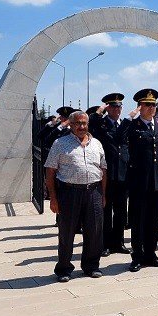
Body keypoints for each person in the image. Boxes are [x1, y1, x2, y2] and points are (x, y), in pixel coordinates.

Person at [44, 111, 107, 282]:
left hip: (93, 191)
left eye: (84, 123)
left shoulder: (97, 144)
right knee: (67, 232)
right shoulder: (60, 143)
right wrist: (53, 198)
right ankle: (64, 268)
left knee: (94, 231)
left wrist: (103, 195)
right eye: (78, 123)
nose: (82, 127)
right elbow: (50, 171)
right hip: (69, 193)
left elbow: (103, 170)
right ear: (71, 125)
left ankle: (91, 266)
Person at [125, 88, 158, 272]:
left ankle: (151, 254)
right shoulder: (132, 126)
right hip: (139, 181)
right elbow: (119, 138)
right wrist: (130, 118)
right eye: (147, 105)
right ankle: (137, 256)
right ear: (140, 106)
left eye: (154, 105)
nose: (152, 108)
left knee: (154, 220)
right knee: (138, 220)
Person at [89, 93, 131, 257]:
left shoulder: (125, 125)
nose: (117, 109)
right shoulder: (102, 124)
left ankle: (118, 242)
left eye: (119, 106)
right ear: (108, 108)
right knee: (106, 211)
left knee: (121, 211)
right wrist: (100, 111)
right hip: (107, 175)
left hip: (123, 173)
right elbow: (91, 122)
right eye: (113, 106)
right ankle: (105, 244)